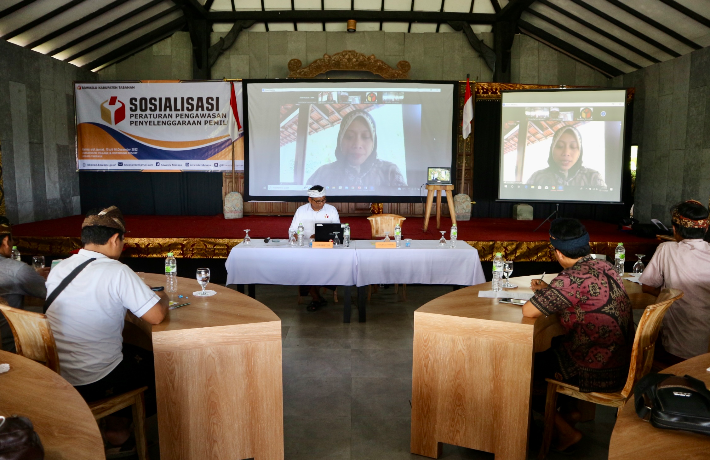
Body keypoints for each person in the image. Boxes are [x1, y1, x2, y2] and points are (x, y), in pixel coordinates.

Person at [45, 206, 170, 456]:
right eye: (123, 241)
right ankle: (119, 431)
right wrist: (162, 297)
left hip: (57, 373)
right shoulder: (116, 270)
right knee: (163, 367)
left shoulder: (59, 267)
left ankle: (115, 427)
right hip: (94, 379)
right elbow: (155, 316)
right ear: (114, 239)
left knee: (131, 352)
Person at [522, 218, 633, 452]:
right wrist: (550, 290)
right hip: (623, 361)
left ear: (559, 253)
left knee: (523, 368)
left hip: (592, 367)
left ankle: (565, 431)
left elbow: (528, 310)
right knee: (558, 346)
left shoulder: (569, 278)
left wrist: (549, 291)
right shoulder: (607, 266)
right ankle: (571, 411)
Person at [639, 199, 710, 364]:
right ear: (705, 228)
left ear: (674, 229)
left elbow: (647, 286)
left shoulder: (666, 249)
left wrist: (672, 292)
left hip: (677, 351)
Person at [306, 109, 407, 188]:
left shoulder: (390, 172)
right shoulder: (323, 173)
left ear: (374, 143)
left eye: (366, 136)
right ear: (340, 140)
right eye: (349, 136)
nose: (357, 144)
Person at [288, 186, 340, 311]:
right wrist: (294, 235)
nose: (321, 203)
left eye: (323, 200)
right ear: (310, 200)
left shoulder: (331, 210)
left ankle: (316, 299)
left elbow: (337, 231)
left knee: (319, 267)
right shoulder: (301, 210)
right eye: (318, 201)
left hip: (326, 250)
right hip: (306, 250)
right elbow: (292, 230)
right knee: (306, 268)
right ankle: (317, 298)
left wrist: (320, 235)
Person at [0, 217, 48, 352]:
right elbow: (51, 293)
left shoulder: (17, 271)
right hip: (12, 346)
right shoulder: (17, 269)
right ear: (5, 240)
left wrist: (31, 274)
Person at [527, 126, 607, 189]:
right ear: (552, 149)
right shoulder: (537, 177)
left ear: (580, 152)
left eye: (573, 146)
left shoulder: (593, 177)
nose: (566, 153)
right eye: (559, 146)